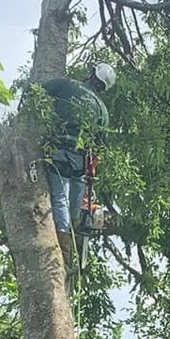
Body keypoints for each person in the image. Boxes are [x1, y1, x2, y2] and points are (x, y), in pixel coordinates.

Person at [36, 63, 114, 244]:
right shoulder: (102, 109)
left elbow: (37, 91)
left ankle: (63, 238)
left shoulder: (66, 85)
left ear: (91, 75)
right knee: (77, 189)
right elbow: (99, 144)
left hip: (59, 149)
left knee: (60, 196)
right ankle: (74, 223)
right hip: (79, 160)